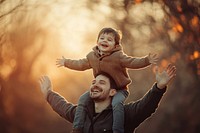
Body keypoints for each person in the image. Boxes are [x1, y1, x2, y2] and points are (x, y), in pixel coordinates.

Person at [56, 27, 159, 133]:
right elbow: (80, 64)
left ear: (116, 45)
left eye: (109, 40)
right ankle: (77, 128)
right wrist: (66, 62)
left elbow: (132, 62)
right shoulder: (92, 57)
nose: (105, 40)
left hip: (119, 89)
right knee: (82, 99)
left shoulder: (118, 57)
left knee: (117, 104)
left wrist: (147, 60)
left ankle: (117, 130)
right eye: (102, 38)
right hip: (103, 89)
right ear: (97, 42)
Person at [39, 64, 176, 133]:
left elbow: (145, 107)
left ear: (112, 92)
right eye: (94, 82)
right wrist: (48, 93)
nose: (95, 85)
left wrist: (159, 87)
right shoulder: (81, 114)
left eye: (101, 83)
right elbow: (63, 106)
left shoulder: (123, 115)